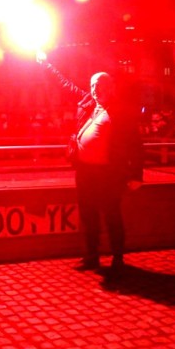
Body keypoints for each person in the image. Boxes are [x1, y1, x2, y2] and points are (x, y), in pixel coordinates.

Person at [38, 53, 143, 271]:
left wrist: (136, 175)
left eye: (100, 85)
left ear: (110, 87)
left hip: (109, 173)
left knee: (112, 215)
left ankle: (117, 259)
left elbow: (135, 143)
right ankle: (92, 256)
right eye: (93, 85)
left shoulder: (121, 111)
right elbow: (65, 85)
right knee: (89, 215)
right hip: (85, 171)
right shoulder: (87, 102)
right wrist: (47, 64)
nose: (95, 89)